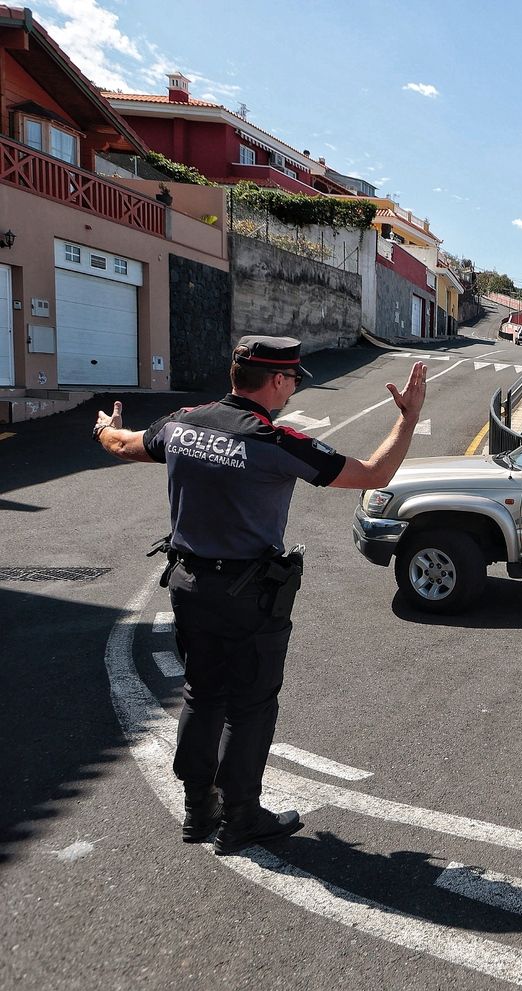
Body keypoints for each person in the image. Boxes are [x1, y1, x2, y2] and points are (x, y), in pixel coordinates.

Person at [93, 335, 427, 856]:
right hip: (249, 595)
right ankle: (241, 816)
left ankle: (197, 809)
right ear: (275, 380)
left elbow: (119, 444)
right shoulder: (275, 442)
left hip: (188, 585)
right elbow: (376, 473)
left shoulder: (179, 424)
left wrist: (105, 427)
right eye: (293, 379)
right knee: (250, 706)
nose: (293, 388)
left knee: (201, 695)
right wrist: (407, 418)